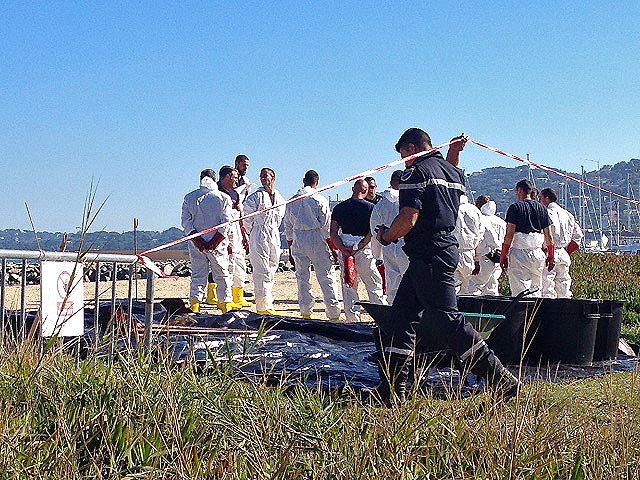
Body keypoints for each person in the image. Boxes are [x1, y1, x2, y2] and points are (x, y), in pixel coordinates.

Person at [375, 128, 520, 403]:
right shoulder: (454, 173)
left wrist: (386, 236)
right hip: (438, 252)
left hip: (429, 253)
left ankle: (500, 378)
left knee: (447, 320)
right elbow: (442, 185)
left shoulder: (414, 173)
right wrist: (455, 152)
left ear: (411, 148)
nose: (404, 161)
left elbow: (408, 218)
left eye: (404, 155)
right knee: (401, 318)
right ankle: (393, 388)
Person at [284, 170, 341, 320]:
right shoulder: (319, 199)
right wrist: (333, 248)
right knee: (326, 276)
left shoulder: (291, 201)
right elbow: (326, 227)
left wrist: (290, 249)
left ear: (303, 180)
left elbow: (288, 227)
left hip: (298, 238)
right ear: (317, 182)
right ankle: (333, 313)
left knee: (302, 277)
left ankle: (306, 312)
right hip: (316, 237)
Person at [181, 169, 238, 313]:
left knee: (198, 274)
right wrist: (214, 242)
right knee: (222, 274)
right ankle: (225, 304)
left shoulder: (189, 197)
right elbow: (226, 223)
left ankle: (195, 304)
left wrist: (198, 241)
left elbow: (186, 223)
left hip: (196, 244)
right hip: (217, 244)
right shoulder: (223, 198)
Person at [330, 179, 386, 322]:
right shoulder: (371, 208)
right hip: (363, 248)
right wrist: (359, 246)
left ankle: (352, 319)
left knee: (349, 285)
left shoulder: (339, 208)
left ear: (352, 189)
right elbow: (372, 231)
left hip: (345, 245)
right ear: (366, 191)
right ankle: (381, 318)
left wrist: (342, 248)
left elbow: (333, 232)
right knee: (374, 284)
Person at [500, 180, 555, 297]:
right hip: (537, 253)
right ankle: (535, 314)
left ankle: (522, 314)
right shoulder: (542, 209)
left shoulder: (515, 208)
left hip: (519, 252)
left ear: (520, 190)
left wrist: (503, 255)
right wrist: (551, 256)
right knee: (536, 290)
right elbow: (549, 236)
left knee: (520, 290)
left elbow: (509, 234)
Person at [244, 168, 286, 314]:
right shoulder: (255, 197)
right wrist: (253, 232)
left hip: (273, 233)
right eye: (261, 176)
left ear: (273, 177)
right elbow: (246, 218)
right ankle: (262, 306)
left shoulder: (280, 197)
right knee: (261, 269)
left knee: (272, 266)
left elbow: (280, 217)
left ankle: (268, 302)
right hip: (259, 233)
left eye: (265, 176)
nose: (262, 178)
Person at [369, 170, 409, 303]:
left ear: (391, 183)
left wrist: (377, 254)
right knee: (411, 281)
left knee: (393, 284)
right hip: (407, 244)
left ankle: (394, 312)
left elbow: (375, 229)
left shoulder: (381, 204)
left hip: (388, 245)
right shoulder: (409, 201)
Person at [218, 165, 252, 308]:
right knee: (227, 267)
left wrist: (244, 236)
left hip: (237, 232)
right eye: (235, 177)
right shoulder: (217, 193)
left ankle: (238, 295)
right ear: (227, 177)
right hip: (223, 234)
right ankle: (226, 297)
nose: (237, 180)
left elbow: (240, 216)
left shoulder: (235, 194)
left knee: (240, 265)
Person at [539, 188, 583, 298]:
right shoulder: (567, 214)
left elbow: (542, 234)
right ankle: (565, 312)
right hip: (563, 253)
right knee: (564, 286)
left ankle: (548, 313)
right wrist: (567, 251)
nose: (539, 201)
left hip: (549, 252)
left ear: (546, 199)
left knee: (547, 287)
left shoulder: (545, 213)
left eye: (540, 198)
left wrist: (545, 251)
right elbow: (578, 236)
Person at [468, 196, 507, 296]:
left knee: (474, 287)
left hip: (484, 257)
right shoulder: (501, 222)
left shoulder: (481, 220)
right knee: (492, 288)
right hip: (498, 258)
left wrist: (476, 259)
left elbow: (480, 241)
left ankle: (474, 310)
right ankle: (492, 310)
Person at [453, 195, 484, 294]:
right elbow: (480, 235)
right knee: (466, 289)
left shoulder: (452, 207)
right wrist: (477, 259)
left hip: (452, 251)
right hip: (470, 253)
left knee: (452, 287)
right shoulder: (474, 210)